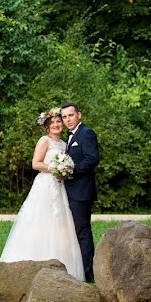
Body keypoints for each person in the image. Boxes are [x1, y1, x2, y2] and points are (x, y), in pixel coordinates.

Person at [0, 108, 85, 281]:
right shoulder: (44, 141)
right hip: (45, 185)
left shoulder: (63, 144)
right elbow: (35, 163)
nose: (56, 125)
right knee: (40, 221)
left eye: (59, 122)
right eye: (52, 123)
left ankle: (62, 266)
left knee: (60, 223)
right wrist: (55, 168)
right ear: (47, 126)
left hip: (59, 187)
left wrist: (64, 171)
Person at [59, 103, 99, 282]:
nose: (67, 119)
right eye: (64, 117)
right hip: (69, 190)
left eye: (70, 115)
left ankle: (87, 273)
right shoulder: (70, 137)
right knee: (72, 231)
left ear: (79, 115)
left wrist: (71, 171)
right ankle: (76, 269)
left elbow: (92, 158)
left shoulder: (86, 133)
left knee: (82, 231)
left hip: (81, 192)